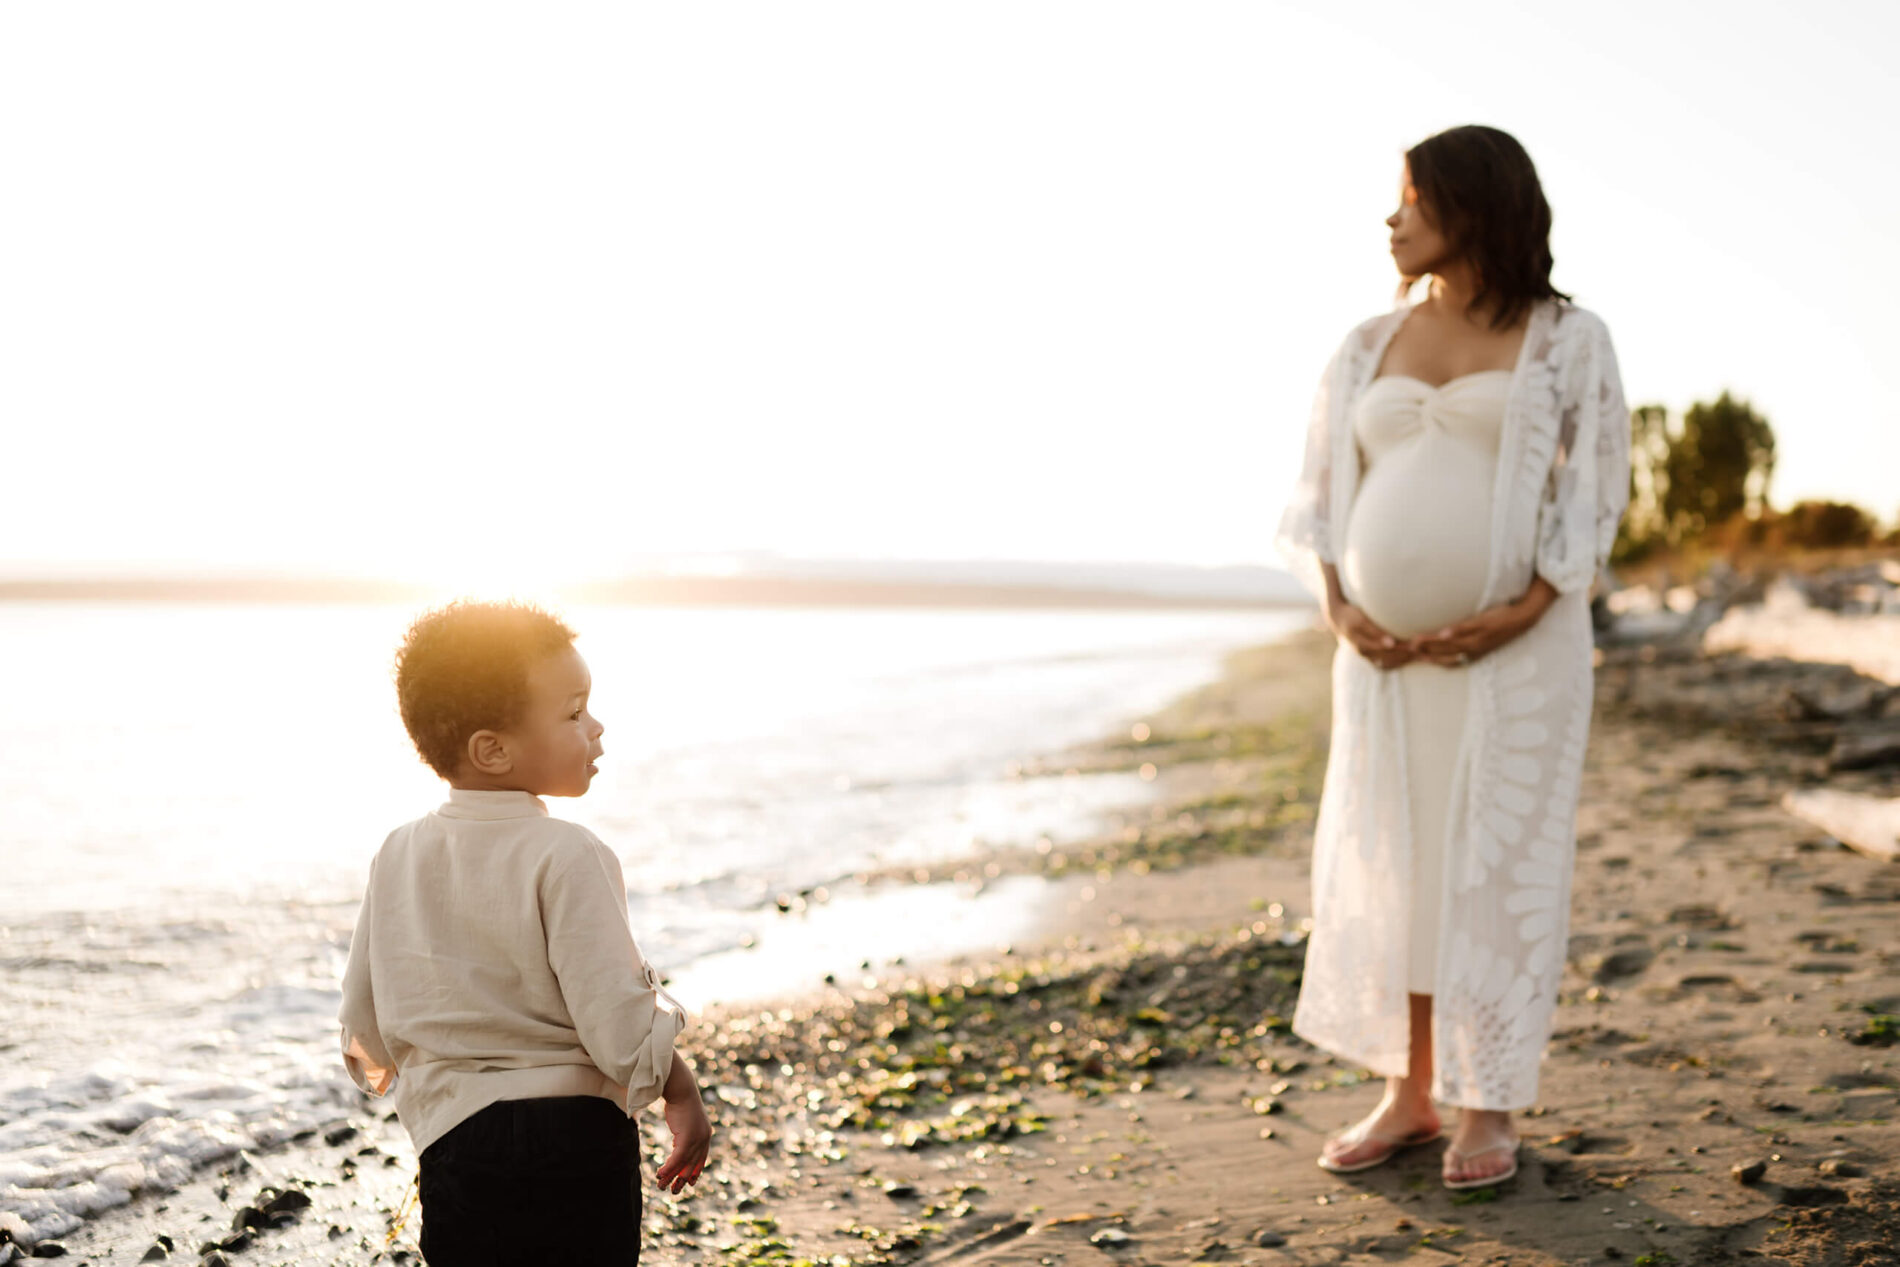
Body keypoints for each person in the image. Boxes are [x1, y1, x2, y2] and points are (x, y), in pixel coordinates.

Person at [1274, 125, 1630, 1189]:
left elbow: (1595, 489)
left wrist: (1522, 605)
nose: (1393, 219)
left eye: (1412, 200)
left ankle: (1488, 1102)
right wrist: (1341, 609)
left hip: (1516, 660)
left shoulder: (1568, 338)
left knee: (1496, 868)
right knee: (1400, 864)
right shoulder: (1362, 344)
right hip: (1382, 664)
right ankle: (1408, 1089)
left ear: (1471, 208)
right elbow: (1318, 495)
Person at [339, 600, 712, 1264]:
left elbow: (365, 1018)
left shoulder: (397, 852)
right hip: (576, 1138)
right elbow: (617, 1020)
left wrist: (405, 1075)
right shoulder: (567, 852)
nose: (596, 727)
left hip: (458, 1141)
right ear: (492, 748)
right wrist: (679, 1090)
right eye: (573, 713)